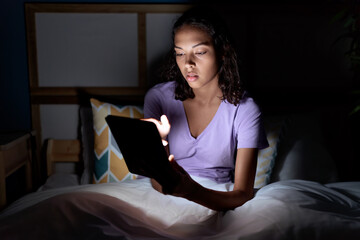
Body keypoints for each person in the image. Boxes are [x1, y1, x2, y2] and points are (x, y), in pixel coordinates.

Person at [143, 6, 269, 211]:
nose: (188, 64)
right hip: (159, 193)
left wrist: (192, 192)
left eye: (200, 52)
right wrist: (160, 144)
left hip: (215, 197)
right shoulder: (158, 98)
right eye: (179, 53)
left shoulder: (245, 109)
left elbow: (243, 193)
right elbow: (158, 181)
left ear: (222, 52)